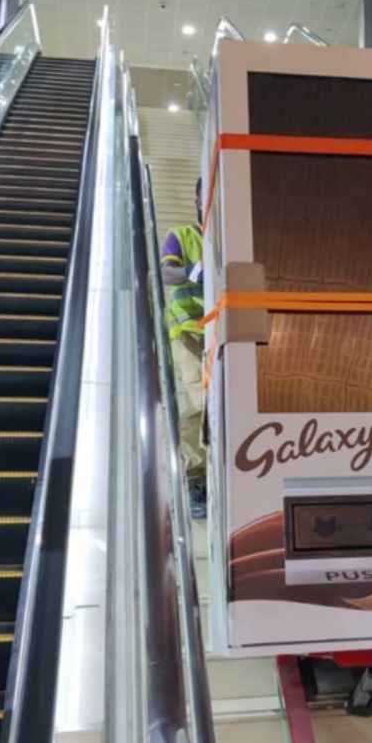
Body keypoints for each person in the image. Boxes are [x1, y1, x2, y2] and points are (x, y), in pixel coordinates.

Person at [160, 180, 207, 519]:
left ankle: (200, 473)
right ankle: (195, 479)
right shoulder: (181, 235)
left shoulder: (228, 238)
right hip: (189, 332)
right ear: (196, 199)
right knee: (199, 402)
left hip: (223, 333)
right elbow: (166, 272)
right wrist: (192, 271)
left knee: (201, 409)